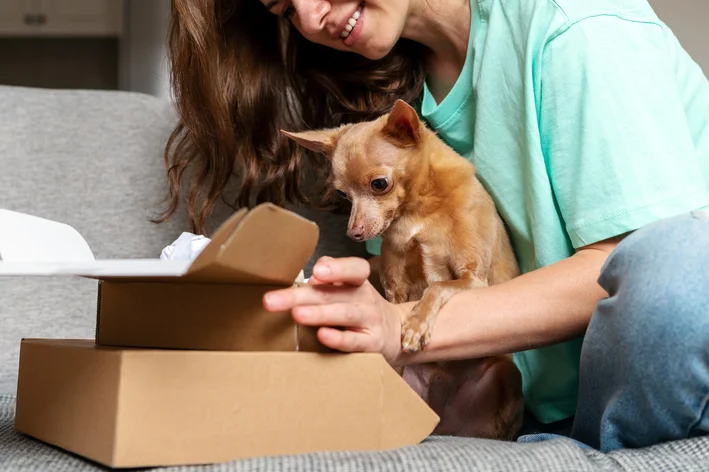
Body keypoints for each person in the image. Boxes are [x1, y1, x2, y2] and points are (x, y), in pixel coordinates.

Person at [158, 0, 709, 453]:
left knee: (675, 271)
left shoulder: (579, 29)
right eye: (283, 8)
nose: (307, 17)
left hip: (643, 374)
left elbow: (637, 277)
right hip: (519, 409)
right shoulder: (390, 105)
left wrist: (400, 327)